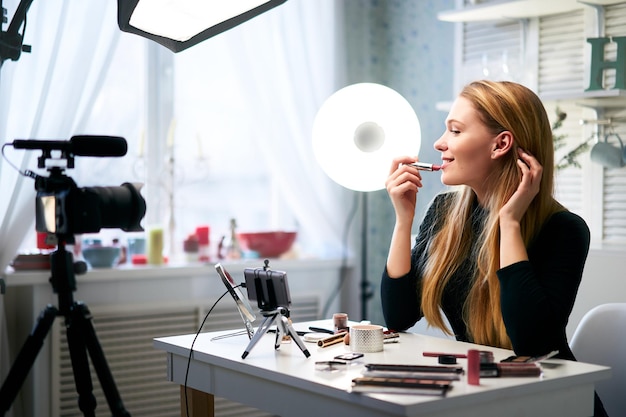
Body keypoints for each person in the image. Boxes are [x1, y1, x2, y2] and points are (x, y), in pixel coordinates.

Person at [381, 80, 607, 416]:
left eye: (455, 131)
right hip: (480, 393)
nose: (439, 143)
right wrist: (403, 221)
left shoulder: (564, 229)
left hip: (552, 400)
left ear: (500, 144)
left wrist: (510, 224)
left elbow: (532, 344)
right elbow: (399, 317)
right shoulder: (444, 212)